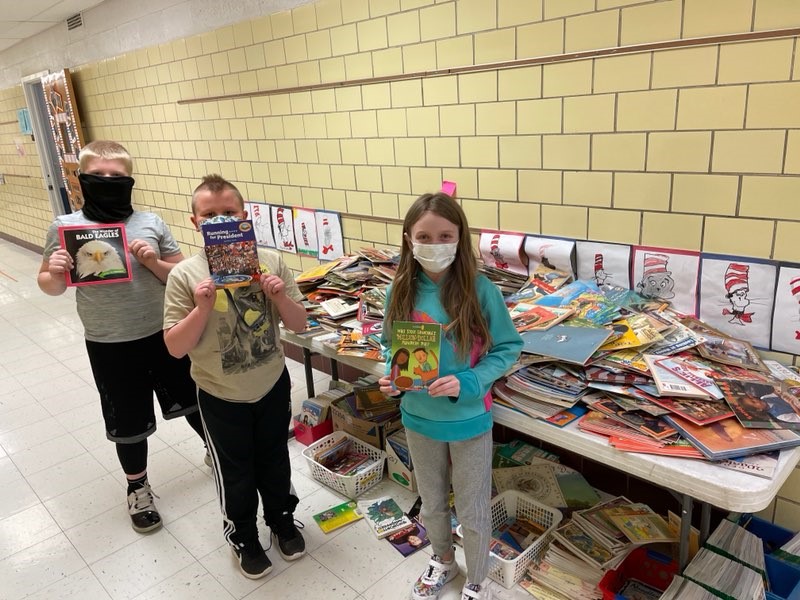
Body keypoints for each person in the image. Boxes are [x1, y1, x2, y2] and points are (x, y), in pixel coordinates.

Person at [37, 140, 208, 534]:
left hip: (165, 332)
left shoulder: (151, 222)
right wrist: (58, 272)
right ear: (82, 179)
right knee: (127, 422)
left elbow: (180, 277)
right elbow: (48, 284)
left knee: (194, 401)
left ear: (129, 179)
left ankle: (217, 454)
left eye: (117, 176)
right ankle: (138, 488)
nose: (109, 182)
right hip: (109, 341)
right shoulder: (64, 228)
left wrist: (153, 260)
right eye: (99, 175)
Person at [163, 174, 309, 580]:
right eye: (209, 215)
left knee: (275, 460)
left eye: (228, 213)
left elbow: (300, 324)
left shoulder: (271, 263)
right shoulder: (185, 276)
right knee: (235, 471)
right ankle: (242, 535)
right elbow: (175, 346)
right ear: (195, 223)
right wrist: (202, 308)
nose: (219, 221)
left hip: (271, 384)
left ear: (244, 218)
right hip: (220, 394)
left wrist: (279, 295)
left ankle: (281, 518)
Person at [378, 192, 523, 600]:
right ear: (408, 239)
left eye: (445, 235)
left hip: (468, 421)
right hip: (419, 417)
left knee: (474, 509)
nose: (435, 243)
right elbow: (391, 345)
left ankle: (477, 578)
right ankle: (442, 559)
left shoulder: (480, 290)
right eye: (425, 235)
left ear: (460, 238)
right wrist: (391, 376)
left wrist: (471, 382)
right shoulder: (401, 290)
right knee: (432, 501)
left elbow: (508, 348)